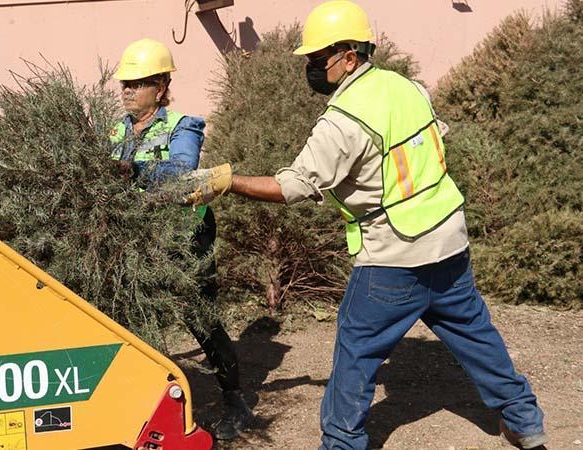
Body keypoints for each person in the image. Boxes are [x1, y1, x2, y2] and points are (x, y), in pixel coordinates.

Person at [183, 2, 547, 449]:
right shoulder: (408, 87)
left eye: (319, 60)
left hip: (394, 254)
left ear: (350, 56)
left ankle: (340, 443)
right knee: (475, 334)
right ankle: (525, 422)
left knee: (357, 352)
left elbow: (294, 186)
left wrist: (225, 181)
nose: (313, 69)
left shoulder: (343, 120)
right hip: (448, 239)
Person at [110, 38, 252, 440]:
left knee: (200, 317)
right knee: (139, 315)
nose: (127, 90)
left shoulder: (184, 126)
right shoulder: (117, 130)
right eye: (125, 83)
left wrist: (132, 172)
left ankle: (236, 402)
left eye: (137, 83)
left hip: (186, 236)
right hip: (139, 238)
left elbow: (181, 171)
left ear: (160, 86)